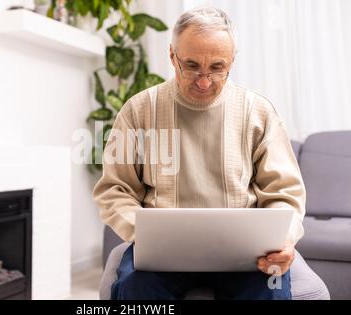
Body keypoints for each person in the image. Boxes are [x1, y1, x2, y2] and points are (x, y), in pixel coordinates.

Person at [93, 6, 305, 300]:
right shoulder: (138, 110)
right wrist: (141, 233)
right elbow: (114, 189)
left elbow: (284, 193)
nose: (204, 81)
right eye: (191, 66)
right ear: (172, 56)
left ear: (232, 61)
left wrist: (284, 239)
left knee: (271, 293)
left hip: (246, 254)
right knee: (134, 291)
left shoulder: (258, 112)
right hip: (161, 255)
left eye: (217, 68)